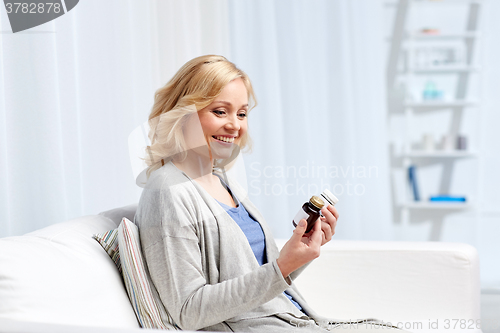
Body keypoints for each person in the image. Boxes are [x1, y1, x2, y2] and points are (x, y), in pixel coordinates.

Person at [135, 55, 403, 332]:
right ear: (184, 114)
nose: (235, 125)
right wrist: (282, 266)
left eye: (241, 113)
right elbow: (188, 310)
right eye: (219, 111)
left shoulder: (223, 181)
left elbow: (262, 279)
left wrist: (299, 254)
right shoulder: (167, 190)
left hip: (294, 320)